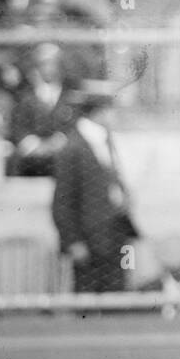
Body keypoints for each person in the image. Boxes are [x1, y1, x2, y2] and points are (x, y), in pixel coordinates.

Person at [50, 79, 138, 293]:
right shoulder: (73, 147)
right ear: (98, 111)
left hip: (115, 234)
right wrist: (74, 242)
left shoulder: (106, 140)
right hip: (89, 240)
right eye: (110, 109)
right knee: (88, 300)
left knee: (117, 297)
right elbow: (62, 202)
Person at [9, 43, 73, 176]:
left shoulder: (70, 96)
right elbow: (17, 127)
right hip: (31, 161)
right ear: (37, 67)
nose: (48, 69)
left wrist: (60, 140)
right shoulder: (25, 97)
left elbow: (75, 124)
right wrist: (35, 144)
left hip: (63, 160)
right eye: (44, 64)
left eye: (53, 64)